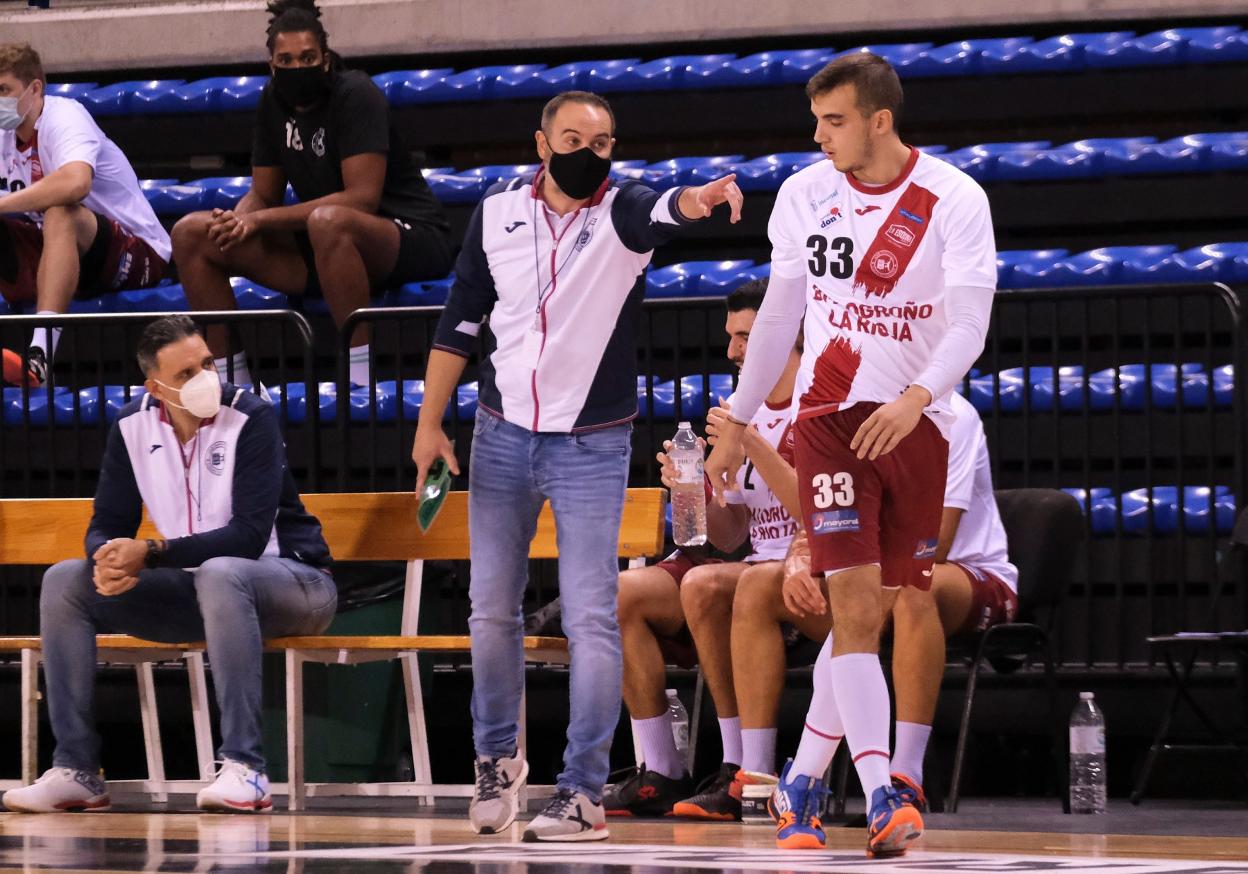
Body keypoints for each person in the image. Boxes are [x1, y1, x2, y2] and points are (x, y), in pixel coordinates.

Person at [412, 90, 742, 842]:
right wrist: (430, 424)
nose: (588, 155)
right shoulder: (497, 214)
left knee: (592, 615)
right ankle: (496, 760)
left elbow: (667, 211)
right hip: (500, 434)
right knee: (489, 608)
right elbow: (459, 323)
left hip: (591, 443)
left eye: (601, 144)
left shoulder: (622, 214)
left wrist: (700, 199)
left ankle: (584, 791)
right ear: (541, 143)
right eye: (572, 141)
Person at [704, 52, 997, 857]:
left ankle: (800, 781)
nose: (819, 136)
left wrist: (917, 399)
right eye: (817, 120)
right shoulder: (805, 195)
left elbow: (971, 325)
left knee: (869, 617)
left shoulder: (954, 198)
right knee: (858, 609)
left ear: (880, 121)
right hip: (832, 418)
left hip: (916, 424)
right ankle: (879, 795)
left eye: (834, 121)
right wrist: (736, 422)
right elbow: (777, 318)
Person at [2, 314, 336, 814]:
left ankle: (245, 768)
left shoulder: (252, 417)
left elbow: (247, 537)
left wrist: (152, 553)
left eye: (207, 364)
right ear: (155, 388)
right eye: (186, 374)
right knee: (65, 581)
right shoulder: (131, 425)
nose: (205, 379)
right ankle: (76, 769)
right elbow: (107, 520)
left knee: (223, 571)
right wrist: (107, 558)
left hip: (296, 583)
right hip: (203, 593)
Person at [729, 390, 1019, 847]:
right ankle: (800, 781)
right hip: (875, 558)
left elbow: (933, 545)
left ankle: (899, 776)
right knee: (845, 607)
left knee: (904, 589)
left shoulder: (950, 416)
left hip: (967, 571)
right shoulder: (836, 405)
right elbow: (818, 512)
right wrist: (802, 557)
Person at [172, 0, 453, 388]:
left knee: (329, 222)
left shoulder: (355, 93)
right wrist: (236, 221)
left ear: (325, 59)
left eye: (307, 58)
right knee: (192, 233)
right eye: (285, 60)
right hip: (326, 247)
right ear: (271, 65)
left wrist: (258, 220)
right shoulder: (272, 101)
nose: (297, 67)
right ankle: (231, 386)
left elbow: (361, 199)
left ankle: (359, 382)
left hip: (407, 235)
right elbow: (263, 194)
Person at [604, 279, 800, 821]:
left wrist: (748, 440)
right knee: (618, 595)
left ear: (785, 334)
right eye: (730, 337)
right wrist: (689, 488)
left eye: (746, 337)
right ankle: (661, 771)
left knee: (705, 582)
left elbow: (821, 512)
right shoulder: (738, 407)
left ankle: (744, 769)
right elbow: (728, 534)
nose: (732, 350)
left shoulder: (816, 398)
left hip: (814, 562)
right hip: (759, 565)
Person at [0, 42, 170, 388]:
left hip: (135, 252)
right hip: (60, 255)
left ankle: (40, 357)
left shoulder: (65, 116)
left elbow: (76, 183)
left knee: (61, 212)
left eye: (3, 90)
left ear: (35, 89)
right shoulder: (3, 135)